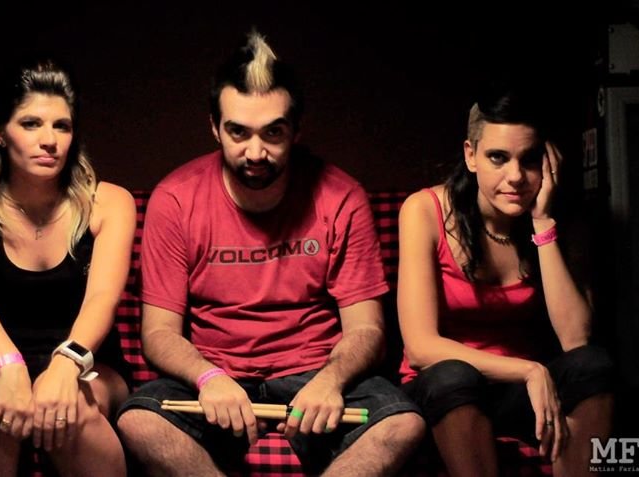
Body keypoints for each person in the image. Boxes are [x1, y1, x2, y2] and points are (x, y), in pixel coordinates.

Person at [117, 31, 425, 476]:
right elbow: (158, 332)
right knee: (139, 421)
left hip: (315, 373)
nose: (255, 152)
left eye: (273, 132)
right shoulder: (176, 198)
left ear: (297, 130)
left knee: (403, 425)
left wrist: (330, 381)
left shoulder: (341, 196)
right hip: (217, 375)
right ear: (214, 127)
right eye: (238, 132)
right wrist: (208, 378)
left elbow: (367, 328)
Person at [397, 82, 614, 477]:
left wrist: (543, 224)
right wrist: (529, 370)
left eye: (529, 159)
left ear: (547, 162)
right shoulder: (424, 210)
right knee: (452, 375)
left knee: (594, 364)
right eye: (498, 157)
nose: (515, 176)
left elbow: (576, 341)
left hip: (519, 397)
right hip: (447, 391)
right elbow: (421, 348)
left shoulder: (564, 219)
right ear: (471, 155)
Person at [0, 57, 135, 477]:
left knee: (71, 404)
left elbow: (103, 297)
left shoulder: (108, 202)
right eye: (31, 124)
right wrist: (11, 364)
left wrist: (65, 365)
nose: (49, 140)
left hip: (89, 365)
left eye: (61, 126)